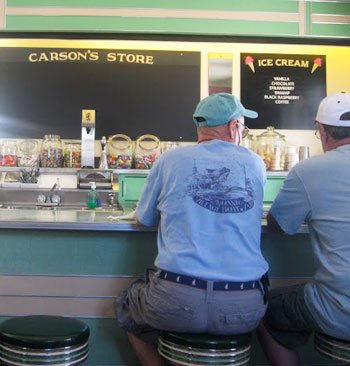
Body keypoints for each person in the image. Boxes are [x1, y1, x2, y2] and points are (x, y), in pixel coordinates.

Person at [115, 93, 269, 366]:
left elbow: (143, 220)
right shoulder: (255, 163)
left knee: (127, 307)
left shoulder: (170, 159)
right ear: (234, 127)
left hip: (175, 299)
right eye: (243, 128)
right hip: (243, 304)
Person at [257, 92, 350, 366]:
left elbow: (278, 226)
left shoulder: (309, 170)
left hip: (339, 311)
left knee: (263, 308)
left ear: (320, 130)